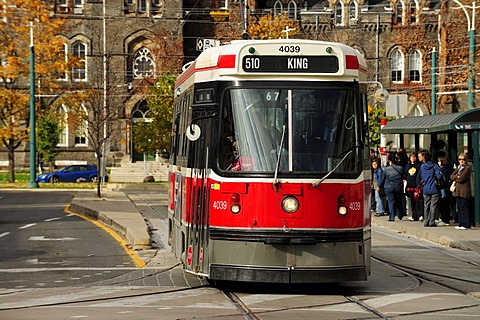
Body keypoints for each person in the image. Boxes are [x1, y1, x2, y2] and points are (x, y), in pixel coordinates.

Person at [420, 150, 443, 227]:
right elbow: (439, 177)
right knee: (433, 206)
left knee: (426, 205)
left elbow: (422, 177)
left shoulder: (422, 166)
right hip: (434, 188)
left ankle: (426, 221)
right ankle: (431, 222)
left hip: (426, 188)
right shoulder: (435, 166)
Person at [450, 153, 472, 230]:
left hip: (464, 191)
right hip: (457, 191)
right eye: (460, 159)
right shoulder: (459, 168)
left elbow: (461, 179)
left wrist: (457, 177)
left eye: (463, 159)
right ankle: (461, 223)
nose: (461, 161)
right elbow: (451, 176)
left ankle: (466, 224)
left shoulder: (467, 168)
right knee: (459, 207)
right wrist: (456, 176)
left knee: (464, 207)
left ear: (466, 160)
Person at [384, 152, 405, 221]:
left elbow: (384, 177)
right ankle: (400, 214)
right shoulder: (400, 168)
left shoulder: (386, 169)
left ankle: (391, 217)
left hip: (389, 186)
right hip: (398, 186)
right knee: (399, 200)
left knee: (391, 201)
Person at [404, 152, 422, 221]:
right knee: (412, 202)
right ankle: (414, 215)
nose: (413, 158)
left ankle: (419, 214)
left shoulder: (419, 165)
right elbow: (405, 174)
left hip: (416, 186)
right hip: (410, 186)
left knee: (418, 201)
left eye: (414, 157)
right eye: (412, 157)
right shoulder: (408, 166)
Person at [436, 154, 452, 226]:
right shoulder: (448, 168)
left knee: (443, 203)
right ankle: (444, 218)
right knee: (444, 203)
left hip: (442, 188)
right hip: (445, 188)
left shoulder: (442, 169)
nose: (438, 162)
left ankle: (444, 219)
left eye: (439, 161)